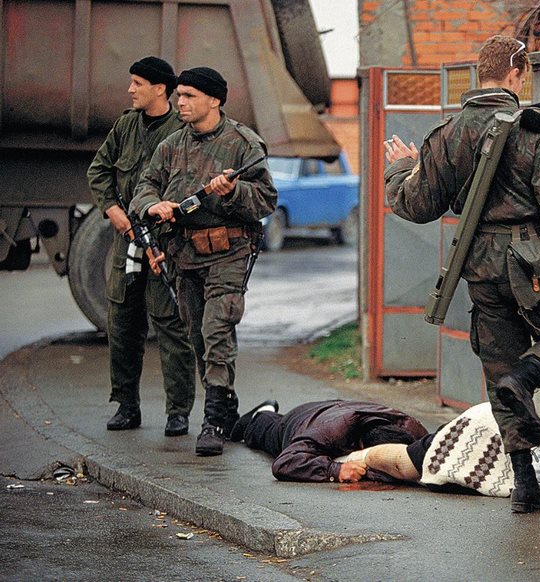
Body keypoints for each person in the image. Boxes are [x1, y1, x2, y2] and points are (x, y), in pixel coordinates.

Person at [383, 35, 540, 513]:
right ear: (516, 74)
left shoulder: (446, 135)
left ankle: (525, 486)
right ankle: (525, 380)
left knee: (498, 364)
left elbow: (416, 205)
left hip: (478, 262)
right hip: (531, 259)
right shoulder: (534, 127)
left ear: (478, 74)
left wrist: (400, 168)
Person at [130, 67, 277, 457]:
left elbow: (265, 199)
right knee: (195, 333)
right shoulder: (171, 145)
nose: (180, 102)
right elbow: (144, 186)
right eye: (178, 95)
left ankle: (212, 420)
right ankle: (226, 405)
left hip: (229, 251)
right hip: (183, 254)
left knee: (216, 329)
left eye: (190, 95)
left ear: (214, 99)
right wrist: (152, 204)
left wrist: (231, 192)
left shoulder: (243, 144)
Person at [86, 56, 196, 437]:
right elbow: (98, 171)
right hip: (127, 245)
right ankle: (125, 405)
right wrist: (112, 209)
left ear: (159, 88)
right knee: (122, 327)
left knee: (172, 328)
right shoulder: (126, 125)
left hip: (165, 248)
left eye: (137, 83)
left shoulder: (182, 131)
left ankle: (178, 411)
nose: (130, 89)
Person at [346, 402, 540, 504]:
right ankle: (356, 457)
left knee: (412, 462)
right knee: (408, 464)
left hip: (504, 428)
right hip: (480, 432)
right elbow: (530, 491)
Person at [228, 399, 429, 483]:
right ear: (361, 447)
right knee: (265, 431)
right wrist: (335, 470)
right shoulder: (332, 431)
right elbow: (284, 462)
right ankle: (261, 413)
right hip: (299, 422)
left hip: (337, 408)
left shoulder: (409, 427)